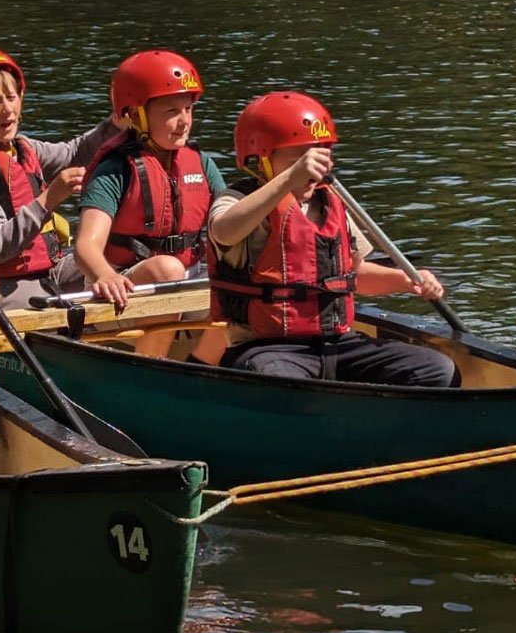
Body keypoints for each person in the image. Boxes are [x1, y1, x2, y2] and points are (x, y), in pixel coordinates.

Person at [206, 91, 458, 387]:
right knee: (272, 378)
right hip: (268, 349)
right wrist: (287, 180)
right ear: (261, 159)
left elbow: (357, 275)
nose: (309, 172)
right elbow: (223, 231)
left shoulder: (330, 202)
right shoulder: (238, 200)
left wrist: (407, 282)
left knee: (437, 369)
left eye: (315, 158)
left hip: (339, 343)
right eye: (296, 159)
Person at [0, 47, 124, 309]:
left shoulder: (22, 148)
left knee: (118, 267)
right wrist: (50, 198)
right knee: (52, 308)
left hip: (48, 272)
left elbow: (75, 153)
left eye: (11, 97)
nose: (8, 110)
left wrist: (116, 124)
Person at [73, 49, 228, 359]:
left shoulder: (201, 163)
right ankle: (148, 365)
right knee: (167, 268)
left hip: (185, 280)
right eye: (171, 111)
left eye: (188, 109)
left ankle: (208, 366)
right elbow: (86, 247)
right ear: (135, 116)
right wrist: (105, 275)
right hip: (125, 289)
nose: (184, 121)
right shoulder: (115, 169)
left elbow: (229, 225)